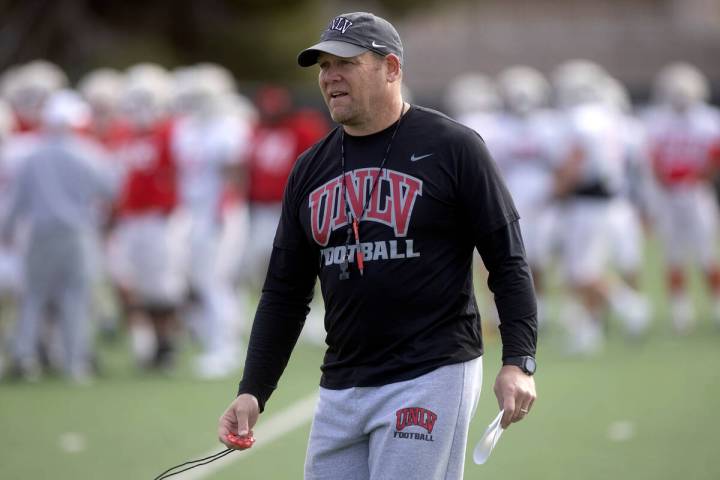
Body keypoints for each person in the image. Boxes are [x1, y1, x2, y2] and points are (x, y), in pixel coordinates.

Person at [218, 12, 537, 479]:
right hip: (341, 383)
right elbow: (284, 293)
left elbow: (507, 261)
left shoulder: (454, 147)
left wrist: (518, 360)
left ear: (391, 68)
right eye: (323, 67)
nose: (330, 77)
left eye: (345, 63)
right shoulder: (310, 168)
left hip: (430, 373)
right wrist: (253, 390)